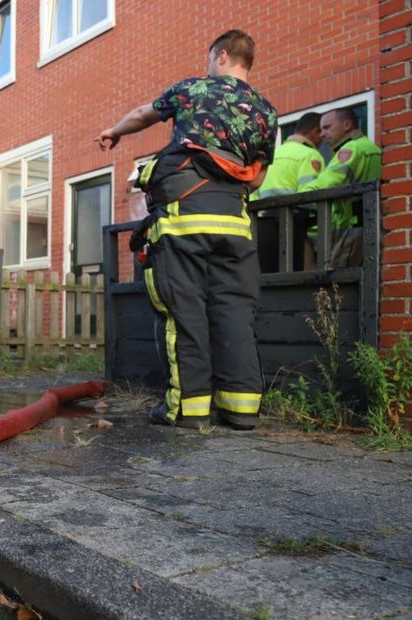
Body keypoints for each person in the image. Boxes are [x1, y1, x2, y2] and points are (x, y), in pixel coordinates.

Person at [94, 29, 277, 430]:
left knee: (185, 310)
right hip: (235, 224)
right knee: (234, 312)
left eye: (210, 58)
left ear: (222, 55)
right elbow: (258, 179)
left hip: (183, 219)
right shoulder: (267, 111)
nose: (208, 65)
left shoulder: (194, 89)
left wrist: (114, 131)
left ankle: (189, 410)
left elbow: (145, 114)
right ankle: (242, 409)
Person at [298, 107, 382, 268]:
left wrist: (297, 197)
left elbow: (326, 184)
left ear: (347, 125)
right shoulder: (368, 147)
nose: (322, 134)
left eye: (327, 128)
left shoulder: (352, 149)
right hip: (366, 228)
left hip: (353, 230)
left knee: (337, 283)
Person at [250, 112, 323, 272]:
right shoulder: (310, 155)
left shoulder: (275, 155)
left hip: (262, 227)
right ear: (315, 132)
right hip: (294, 230)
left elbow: (254, 191)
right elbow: (310, 197)